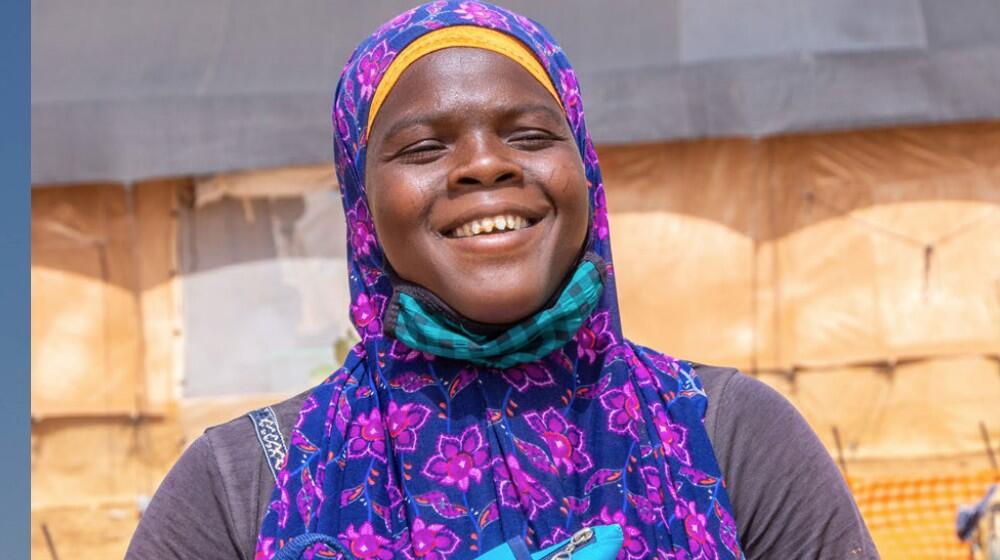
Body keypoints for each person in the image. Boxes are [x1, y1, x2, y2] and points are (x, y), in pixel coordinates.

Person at [127, 2, 878, 559]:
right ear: (362, 208)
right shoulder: (242, 487)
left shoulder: (730, 437)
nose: (486, 165)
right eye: (423, 147)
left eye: (530, 135)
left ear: (584, 168)